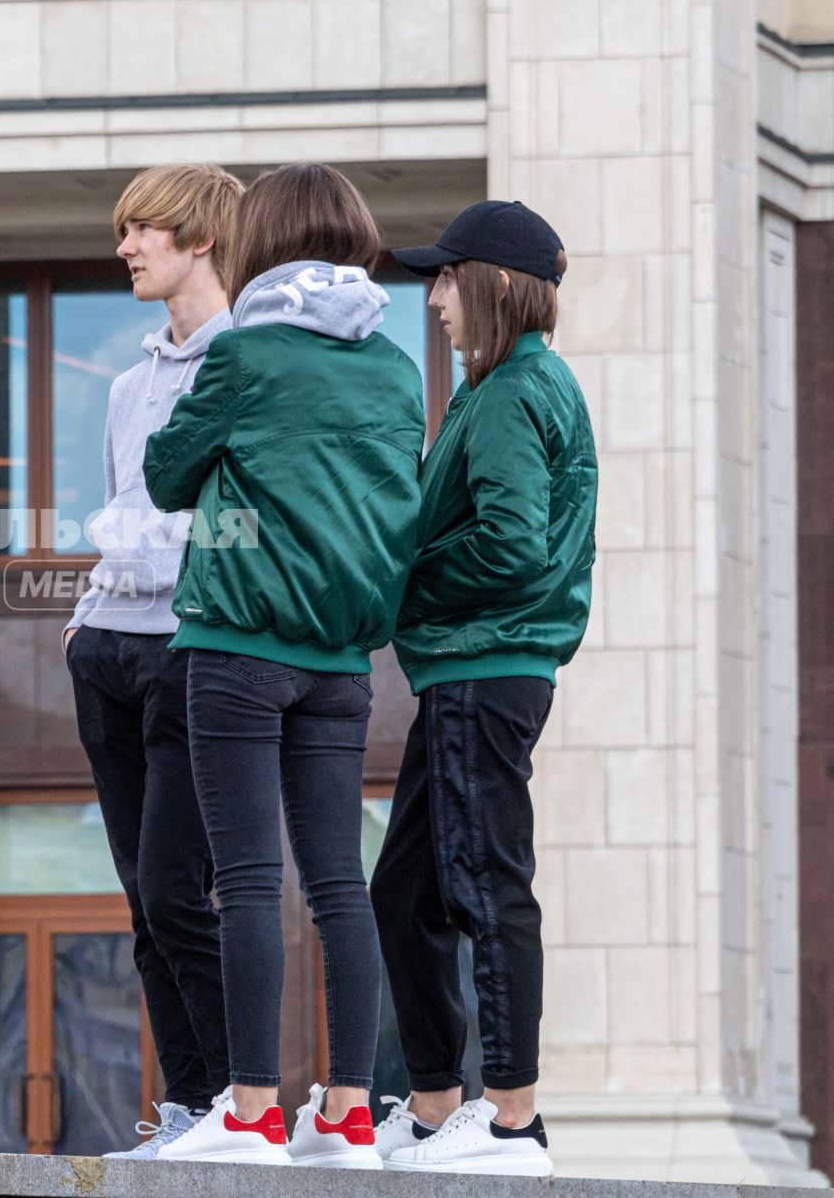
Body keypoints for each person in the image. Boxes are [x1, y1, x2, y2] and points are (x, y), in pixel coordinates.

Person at [143, 163, 425, 1168]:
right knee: (339, 882)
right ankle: (349, 1110)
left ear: (262, 240)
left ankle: (255, 1110)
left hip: (237, 643)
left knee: (250, 880)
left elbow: (168, 474)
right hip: (343, 659)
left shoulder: (245, 352)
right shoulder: (397, 365)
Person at [369, 202, 594, 1177]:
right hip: (477, 663)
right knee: (406, 888)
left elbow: (512, 541)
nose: (435, 297)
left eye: (447, 278)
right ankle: (434, 1109)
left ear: (494, 286)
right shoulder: (510, 384)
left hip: (483, 663)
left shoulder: (508, 392)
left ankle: (512, 1120)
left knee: (481, 883)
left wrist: (397, 585)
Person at [63, 163, 242, 1160]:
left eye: (146, 230)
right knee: (143, 900)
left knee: (179, 886)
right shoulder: (128, 383)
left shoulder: (249, 364)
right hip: (108, 648)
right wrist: (83, 625)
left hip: (192, 647)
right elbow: (119, 508)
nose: (126, 247)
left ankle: (233, 1103)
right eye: (125, 230)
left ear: (202, 239)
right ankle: (188, 1103)